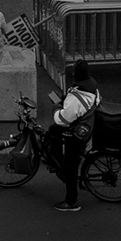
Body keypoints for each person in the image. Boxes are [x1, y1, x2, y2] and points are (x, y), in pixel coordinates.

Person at [50, 61, 102, 213]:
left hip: (78, 134)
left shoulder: (78, 97)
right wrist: (65, 99)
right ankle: (59, 164)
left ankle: (72, 202)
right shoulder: (91, 84)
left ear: (74, 75)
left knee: (70, 165)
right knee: (54, 131)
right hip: (87, 125)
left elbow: (63, 120)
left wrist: (57, 107)